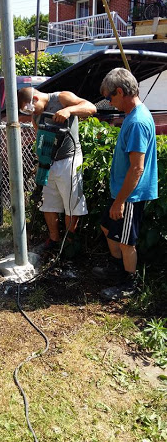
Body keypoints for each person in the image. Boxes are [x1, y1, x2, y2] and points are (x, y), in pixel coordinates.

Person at [92, 67, 158, 301]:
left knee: (126, 241)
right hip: (121, 191)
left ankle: (129, 284)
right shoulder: (132, 116)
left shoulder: (138, 121)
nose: (110, 103)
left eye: (110, 98)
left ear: (120, 91)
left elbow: (137, 168)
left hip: (130, 195)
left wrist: (120, 201)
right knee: (108, 228)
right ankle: (117, 270)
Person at [18, 87, 96, 258]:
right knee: (49, 203)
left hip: (69, 159)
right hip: (47, 162)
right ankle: (54, 240)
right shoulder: (36, 115)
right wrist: (40, 161)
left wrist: (68, 110)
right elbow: (39, 136)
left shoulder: (62, 97)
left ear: (36, 98)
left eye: (30, 109)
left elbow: (91, 107)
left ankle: (68, 244)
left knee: (71, 203)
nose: (31, 113)